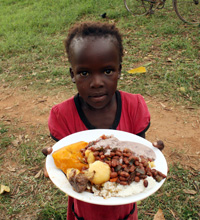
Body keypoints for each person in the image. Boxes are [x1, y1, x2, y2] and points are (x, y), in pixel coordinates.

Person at [42, 21, 164, 220]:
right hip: (83, 210)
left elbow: (137, 153)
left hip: (124, 209)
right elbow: (64, 164)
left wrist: (152, 152)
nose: (97, 82)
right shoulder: (61, 115)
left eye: (107, 71)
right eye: (84, 73)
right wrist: (49, 162)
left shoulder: (134, 107)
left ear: (119, 70)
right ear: (72, 75)